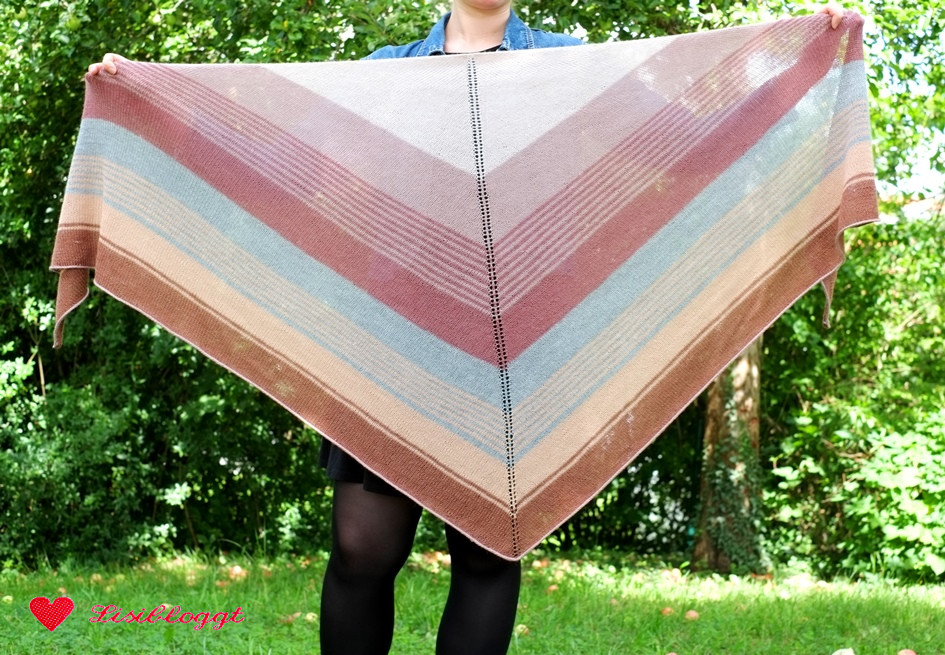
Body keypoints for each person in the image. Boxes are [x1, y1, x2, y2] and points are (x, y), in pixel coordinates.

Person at [89, 2, 846, 653]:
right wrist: (148, 98)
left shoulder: (569, 66)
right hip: (390, 340)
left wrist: (806, 60)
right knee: (359, 550)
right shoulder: (387, 71)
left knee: (487, 554)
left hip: (516, 354)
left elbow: (682, 144)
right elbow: (285, 160)